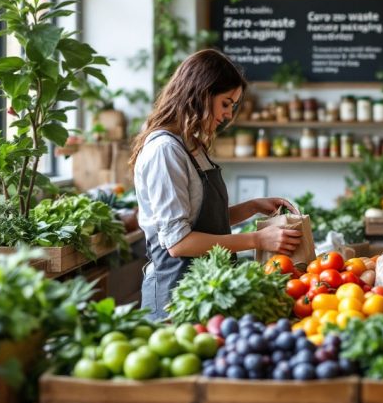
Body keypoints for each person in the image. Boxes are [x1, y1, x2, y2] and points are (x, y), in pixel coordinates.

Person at [129, 49, 301, 319]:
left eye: (232, 106)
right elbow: (179, 243)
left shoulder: (190, 145)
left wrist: (253, 206)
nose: (228, 115)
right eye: (225, 103)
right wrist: (257, 239)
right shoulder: (165, 150)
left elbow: (201, 223)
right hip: (176, 296)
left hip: (206, 290)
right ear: (201, 93)